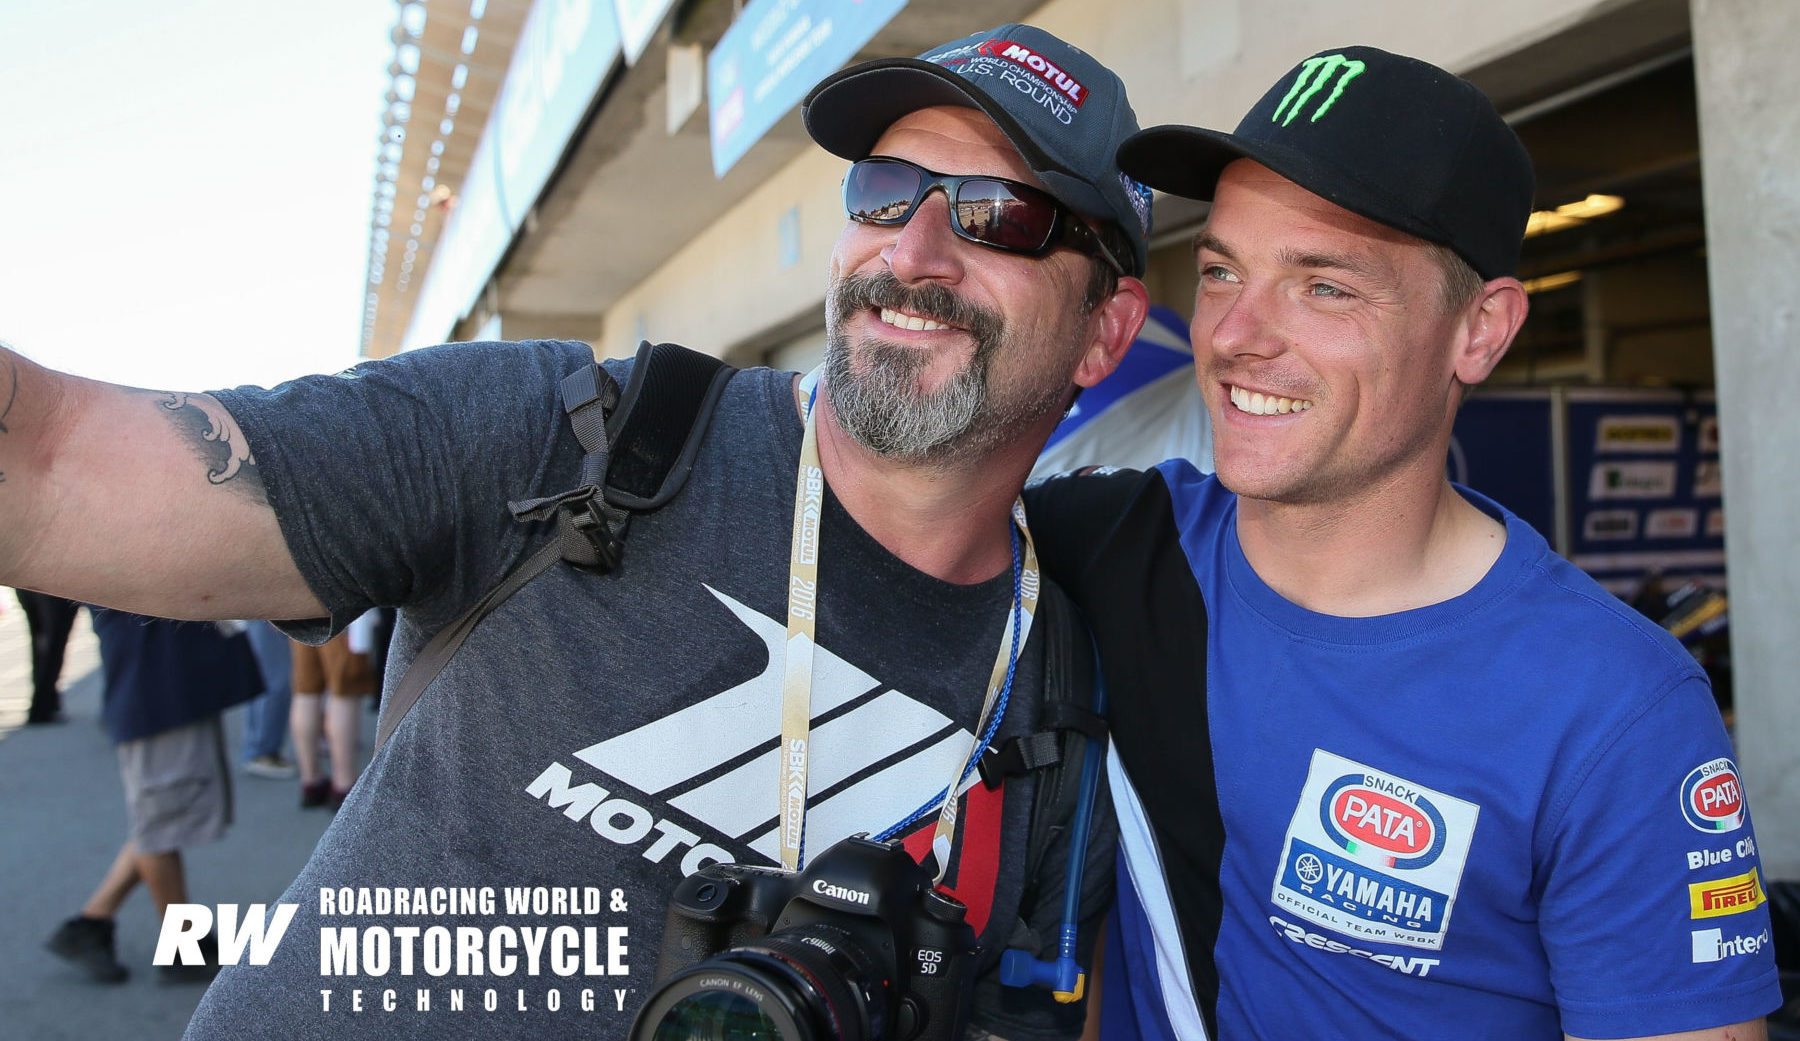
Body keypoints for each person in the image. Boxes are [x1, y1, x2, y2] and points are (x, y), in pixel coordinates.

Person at [0, 23, 1149, 1040]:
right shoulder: (574, 440)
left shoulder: (1063, 699)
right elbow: (51, 465)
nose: (912, 251)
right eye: (887, 191)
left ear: (1106, 333)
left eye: (999, 216)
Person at [1023, 46, 1780, 1041]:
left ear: (1481, 329)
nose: (1238, 334)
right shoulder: (1114, 547)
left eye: (1325, 286)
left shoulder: (1615, 711)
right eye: (1221, 272)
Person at [44, 610, 261, 985]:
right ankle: (179, 946)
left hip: (163, 684)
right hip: (157, 687)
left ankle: (95, 922)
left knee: (164, 816)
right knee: (160, 822)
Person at [288, 619, 378, 808]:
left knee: (306, 690)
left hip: (297, 610)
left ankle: (311, 779)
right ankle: (343, 783)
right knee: (344, 691)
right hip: (338, 608)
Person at [13, 587, 80, 724]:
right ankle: (42, 706)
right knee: (53, 644)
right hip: (55, 586)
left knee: (40, 642)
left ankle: (48, 701)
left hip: (28, 583)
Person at [240, 618, 297, 778]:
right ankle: (261, 751)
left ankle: (260, 749)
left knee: (268, 678)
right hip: (266, 610)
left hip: (262, 610)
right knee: (275, 680)